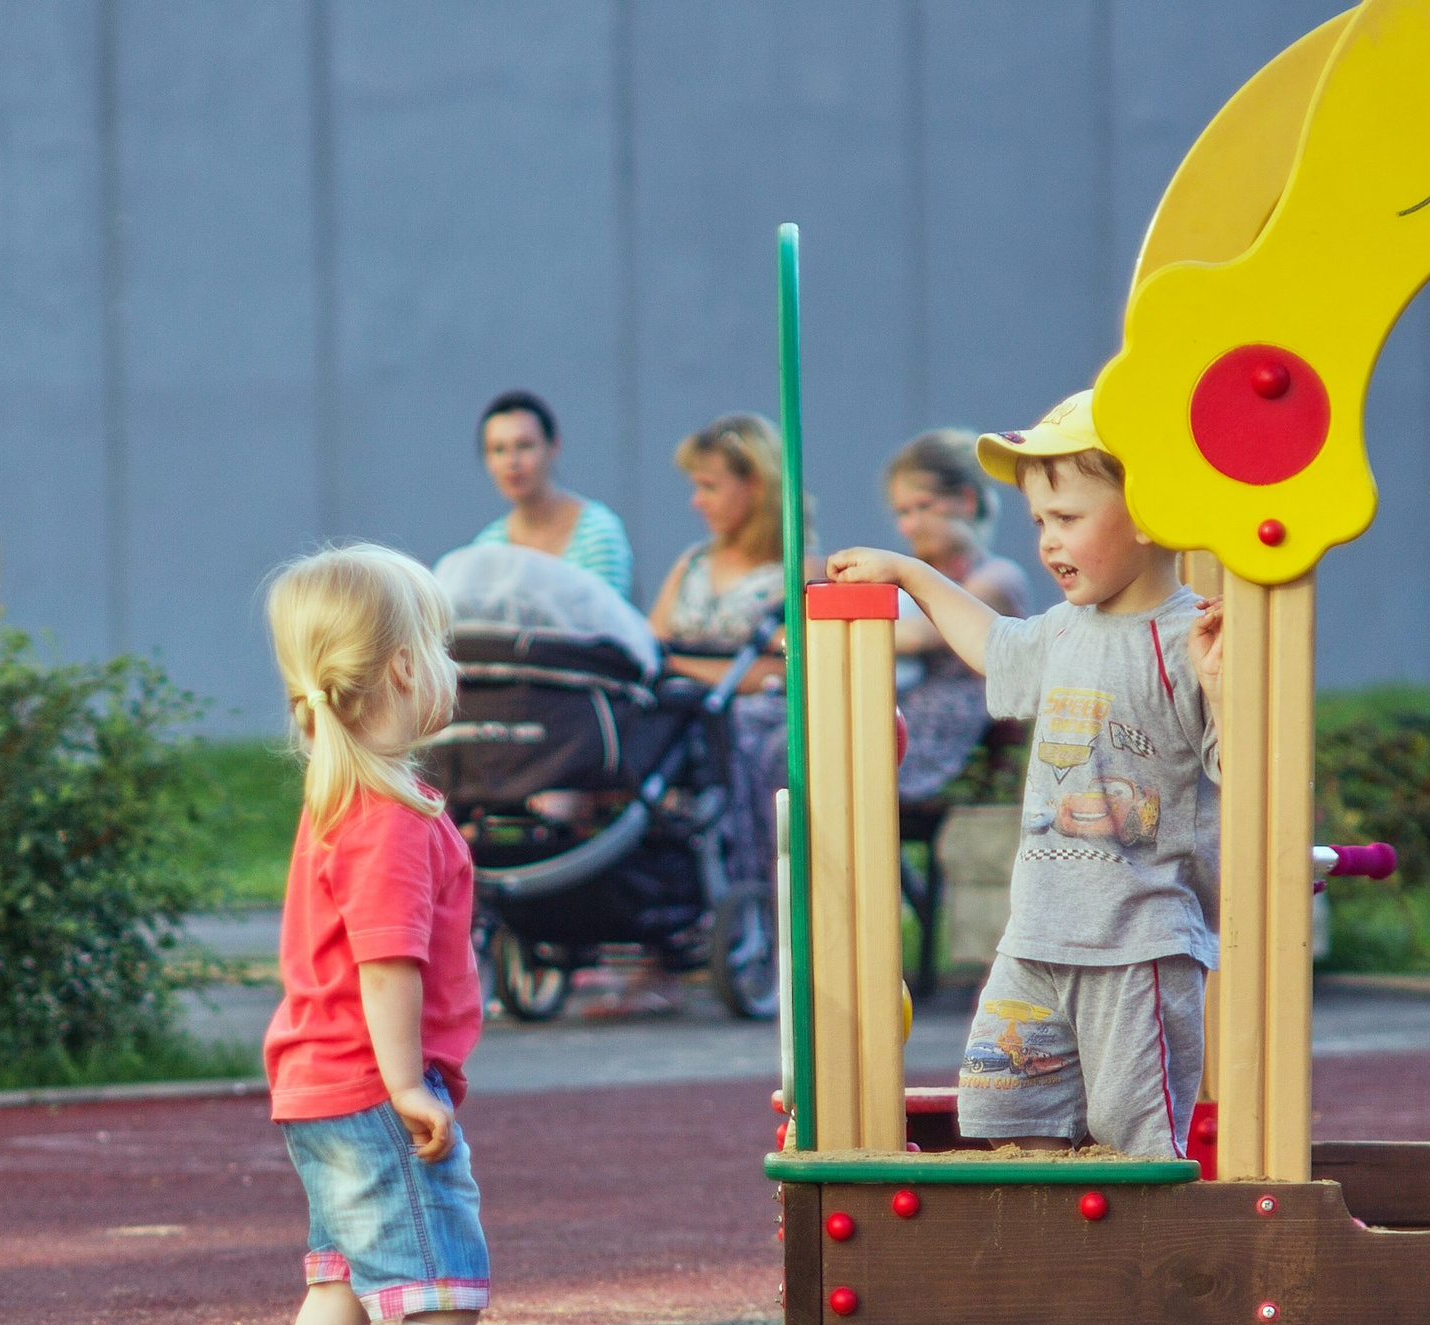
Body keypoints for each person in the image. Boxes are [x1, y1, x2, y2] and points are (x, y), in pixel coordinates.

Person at [827, 391, 1224, 1159]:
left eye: (1068, 518)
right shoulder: (1063, 629)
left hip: (1134, 944)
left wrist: (1224, 685)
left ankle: (1129, 1269)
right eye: (1040, 522)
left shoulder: (1188, 637)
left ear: (1150, 512)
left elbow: (1242, 766)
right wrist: (908, 571)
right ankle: (1044, 1271)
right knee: (1006, 1123)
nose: (1047, 542)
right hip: (1035, 939)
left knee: (1134, 1143)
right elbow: (994, 641)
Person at [261, 542, 560, 1325]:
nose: (446, 664)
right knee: (434, 1279)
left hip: (316, 1085)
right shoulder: (388, 817)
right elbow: (386, 965)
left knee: (339, 1279)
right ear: (398, 670)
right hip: (371, 1086)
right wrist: (407, 1084)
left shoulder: (344, 799)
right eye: (433, 643)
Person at [648, 412, 808, 890]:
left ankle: (756, 892)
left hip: (750, 726)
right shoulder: (692, 562)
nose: (697, 502)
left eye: (710, 486)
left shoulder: (799, 568)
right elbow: (647, 647)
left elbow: (790, 671)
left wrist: (681, 666)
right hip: (691, 719)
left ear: (755, 485)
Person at [880, 430, 1032, 801]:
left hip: (956, 731)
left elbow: (921, 635)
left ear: (965, 501)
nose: (909, 526)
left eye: (922, 507)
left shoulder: (996, 576)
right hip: (909, 711)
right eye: (902, 513)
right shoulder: (918, 575)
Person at [469, 391, 634, 603]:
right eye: (498, 450)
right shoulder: (487, 547)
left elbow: (610, 623)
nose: (512, 462)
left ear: (554, 446)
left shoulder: (597, 532)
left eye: (525, 446)